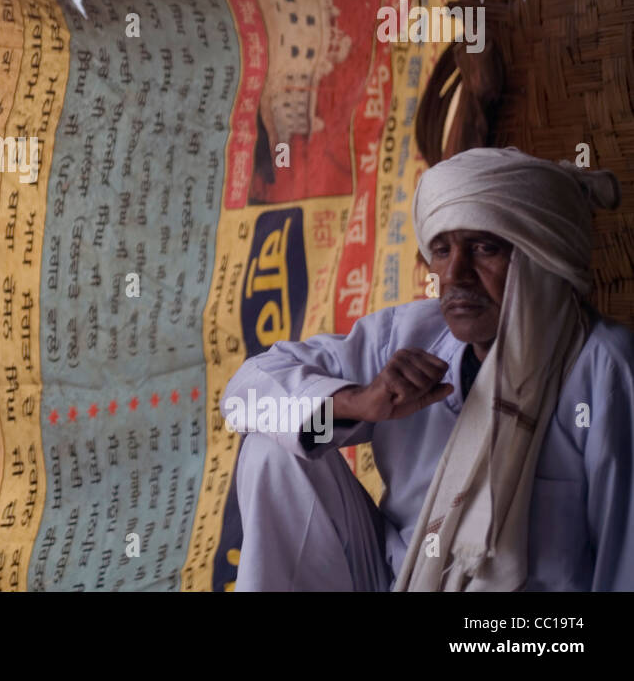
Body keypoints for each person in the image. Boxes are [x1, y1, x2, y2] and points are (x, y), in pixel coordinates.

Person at [223, 146, 633, 590]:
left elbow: (623, 560)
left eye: (484, 247)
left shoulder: (603, 370)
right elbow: (246, 394)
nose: (455, 274)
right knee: (277, 446)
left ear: (541, 255)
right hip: (400, 581)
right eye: (441, 249)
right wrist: (356, 405)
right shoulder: (407, 336)